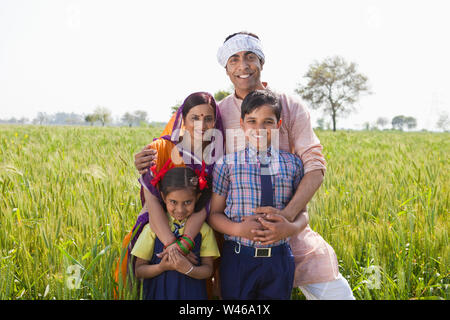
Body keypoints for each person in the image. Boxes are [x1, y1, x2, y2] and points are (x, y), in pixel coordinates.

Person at [134, 32, 355, 300]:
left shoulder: (289, 105)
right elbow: (183, 154)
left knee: (337, 294)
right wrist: (149, 158)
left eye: (250, 57)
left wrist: (286, 218)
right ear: (226, 69)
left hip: (291, 236)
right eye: (234, 59)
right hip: (235, 243)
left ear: (261, 61)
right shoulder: (218, 111)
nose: (243, 66)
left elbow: (315, 166)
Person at [114, 91, 225, 298]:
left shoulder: (216, 157)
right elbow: (153, 201)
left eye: (208, 118)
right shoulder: (161, 148)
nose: (202, 124)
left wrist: (185, 242)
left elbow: (205, 206)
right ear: (183, 119)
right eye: (195, 118)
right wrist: (171, 244)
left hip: (197, 237)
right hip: (157, 234)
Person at [208, 90, 306, 299]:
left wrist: (290, 228)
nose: (259, 129)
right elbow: (214, 214)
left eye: (267, 122)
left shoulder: (293, 164)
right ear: (242, 124)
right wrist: (238, 228)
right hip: (238, 259)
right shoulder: (227, 165)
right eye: (252, 121)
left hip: (279, 260)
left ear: (278, 125)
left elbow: (303, 214)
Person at [132, 166, 220, 299]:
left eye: (187, 202)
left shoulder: (204, 230)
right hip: (159, 294)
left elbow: (208, 270)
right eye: (173, 202)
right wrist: (162, 267)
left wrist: (189, 269)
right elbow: (139, 270)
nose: (180, 210)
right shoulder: (152, 229)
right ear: (163, 196)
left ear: (198, 197)